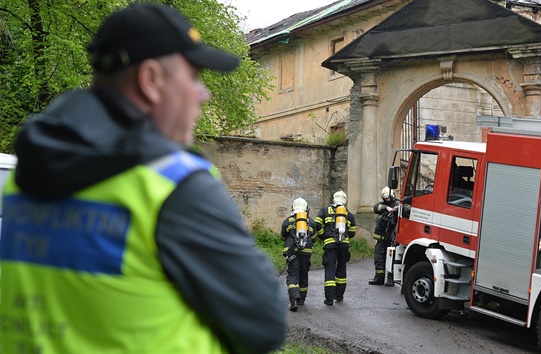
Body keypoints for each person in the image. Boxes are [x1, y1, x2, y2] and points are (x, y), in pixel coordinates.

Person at [0, 4, 285, 354]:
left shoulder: (24, 175)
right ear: (151, 80)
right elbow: (264, 325)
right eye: (194, 77)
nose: (203, 94)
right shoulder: (173, 184)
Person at [315, 190, 357, 305]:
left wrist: (323, 235)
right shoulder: (348, 214)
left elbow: (317, 224)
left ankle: (329, 299)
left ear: (334, 199)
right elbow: (352, 233)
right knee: (342, 270)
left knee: (330, 269)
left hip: (330, 245)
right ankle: (339, 295)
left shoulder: (325, 210)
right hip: (344, 246)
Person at [281, 197, 317, 312]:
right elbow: (314, 238)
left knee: (292, 275)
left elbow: (282, 236)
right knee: (303, 275)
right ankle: (301, 300)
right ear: (306, 208)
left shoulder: (288, 221)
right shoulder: (311, 222)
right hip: (306, 252)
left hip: (292, 252)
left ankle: (294, 300)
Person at [368, 187, 399, 286]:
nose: (387, 200)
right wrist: (386, 208)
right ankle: (379, 278)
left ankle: (390, 279)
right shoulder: (382, 206)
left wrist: (396, 210)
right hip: (381, 239)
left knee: (392, 259)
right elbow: (375, 208)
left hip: (391, 240)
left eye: (388, 198)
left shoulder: (397, 206)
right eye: (385, 198)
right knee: (379, 259)